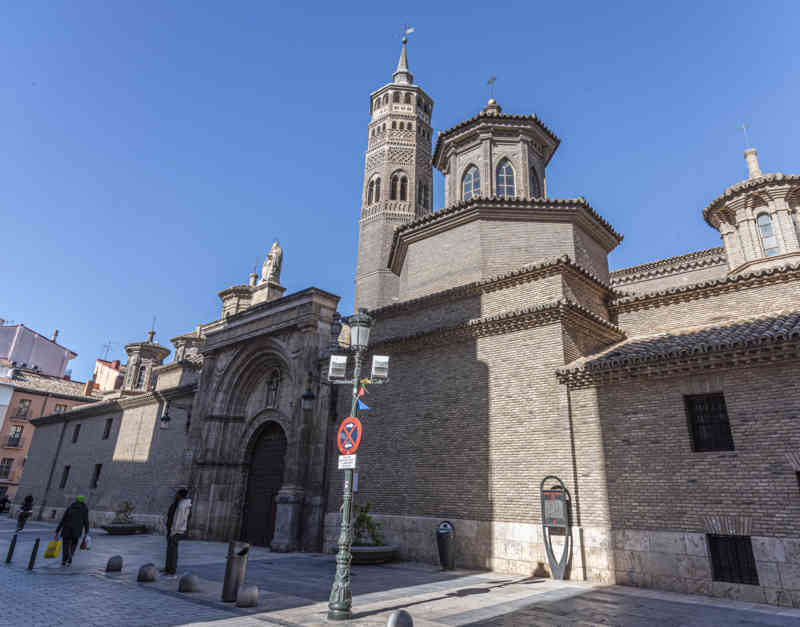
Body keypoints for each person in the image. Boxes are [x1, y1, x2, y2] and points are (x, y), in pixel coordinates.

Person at [163, 488, 191, 576]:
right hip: (173, 529)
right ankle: (168, 568)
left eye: (177, 494)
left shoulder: (182, 506)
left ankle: (171, 570)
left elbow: (178, 520)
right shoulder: (180, 504)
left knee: (173, 550)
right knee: (170, 549)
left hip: (175, 531)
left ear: (180, 495)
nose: (175, 495)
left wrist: (173, 531)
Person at [55, 495, 89, 566]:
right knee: (73, 544)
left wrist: (57, 531)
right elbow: (86, 521)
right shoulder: (84, 509)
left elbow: (63, 519)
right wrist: (86, 531)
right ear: (82, 501)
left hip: (66, 529)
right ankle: (70, 556)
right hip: (77, 530)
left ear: (76, 500)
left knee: (65, 545)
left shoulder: (70, 507)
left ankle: (64, 560)